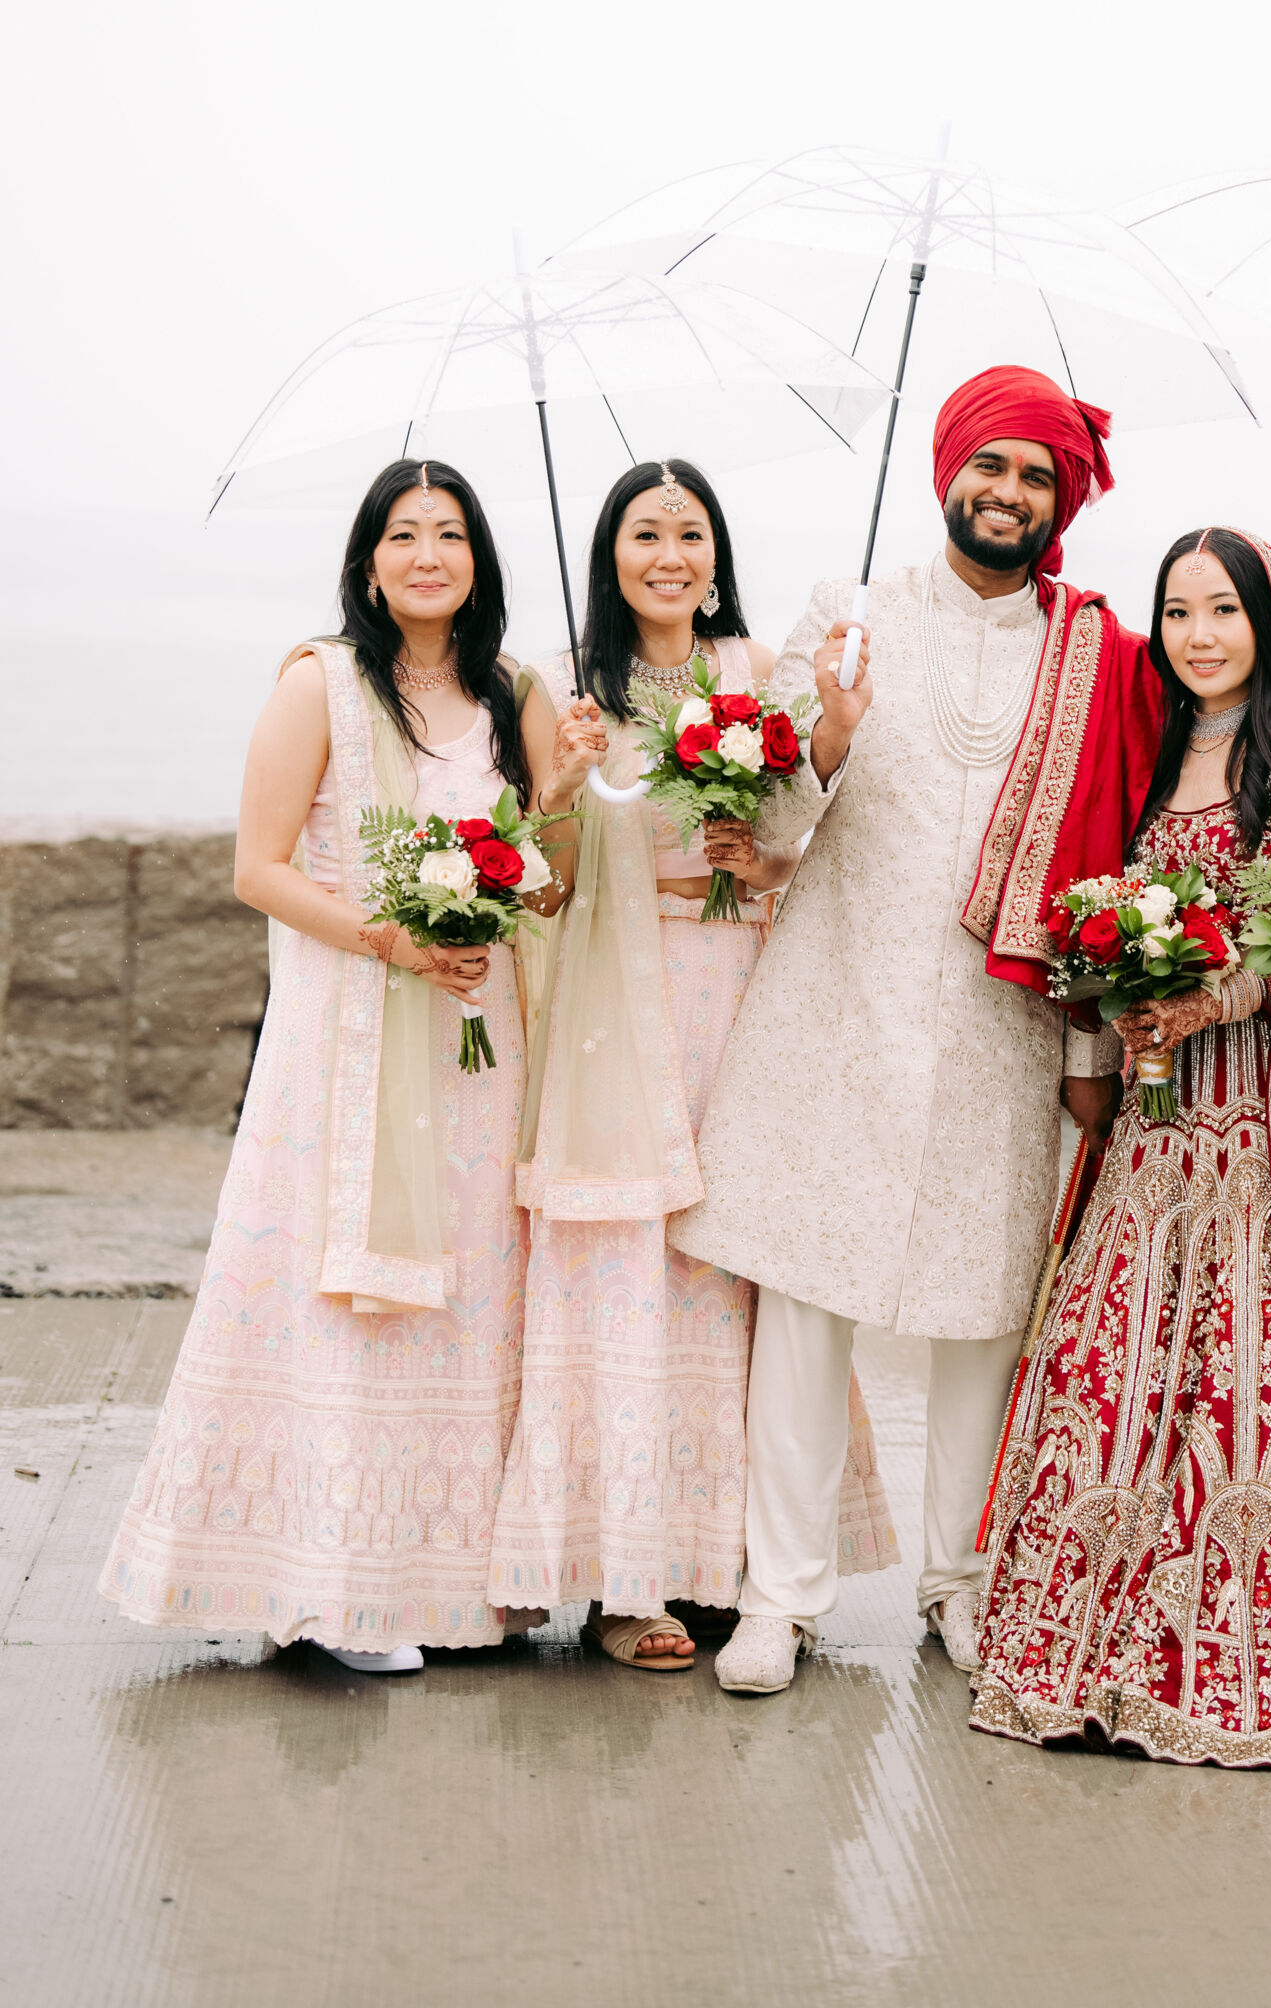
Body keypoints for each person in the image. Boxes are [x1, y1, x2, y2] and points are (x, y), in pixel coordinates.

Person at [671, 365, 1164, 1696]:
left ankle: (961, 1585)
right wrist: (824, 741)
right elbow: (758, 833)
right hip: (836, 1005)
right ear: (947, 469)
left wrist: (1089, 1055)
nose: (1008, 492)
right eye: (991, 465)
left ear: (1062, 501)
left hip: (1002, 1025)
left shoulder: (1097, 657)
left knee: (985, 1315)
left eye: (1036, 476)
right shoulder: (849, 618)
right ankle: (780, 1597)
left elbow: (1109, 860)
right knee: (806, 1302)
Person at [971, 527, 1271, 1770]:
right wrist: (1113, 999)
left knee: (1244, 1374)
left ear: (1264, 625)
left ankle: (1241, 1651)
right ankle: (1087, 1641)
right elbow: (1105, 906)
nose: (1198, 636)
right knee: (1118, 1358)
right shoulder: (1151, 752)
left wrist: (1206, 1001)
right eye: (1178, 612)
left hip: (1258, 1111)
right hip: (1154, 1117)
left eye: (1222, 611)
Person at [101, 462, 537, 1671]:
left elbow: (547, 852)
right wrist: (388, 937)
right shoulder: (323, 683)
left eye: (450, 534)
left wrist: (560, 796)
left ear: (479, 560)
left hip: (473, 1039)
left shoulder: (511, 691)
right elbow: (259, 867)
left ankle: (452, 1588)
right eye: (404, 535)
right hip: (345, 1031)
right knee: (340, 1291)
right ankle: (332, 1584)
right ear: (368, 563)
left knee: (467, 1289)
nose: (428, 555)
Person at [488, 460, 895, 1670]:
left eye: (690, 533)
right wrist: (557, 786)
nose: (669, 555)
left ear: (716, 556)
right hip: (621, 1000)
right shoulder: (563, 686)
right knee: (632, 1266)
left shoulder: (753, 669)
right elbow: (540, 880)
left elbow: (812, 838)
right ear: (610, 554)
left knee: (735, 1270)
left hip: (748, 993)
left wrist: (772, 840)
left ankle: (730, 1564)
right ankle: (625, 1581)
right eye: (645, 534)